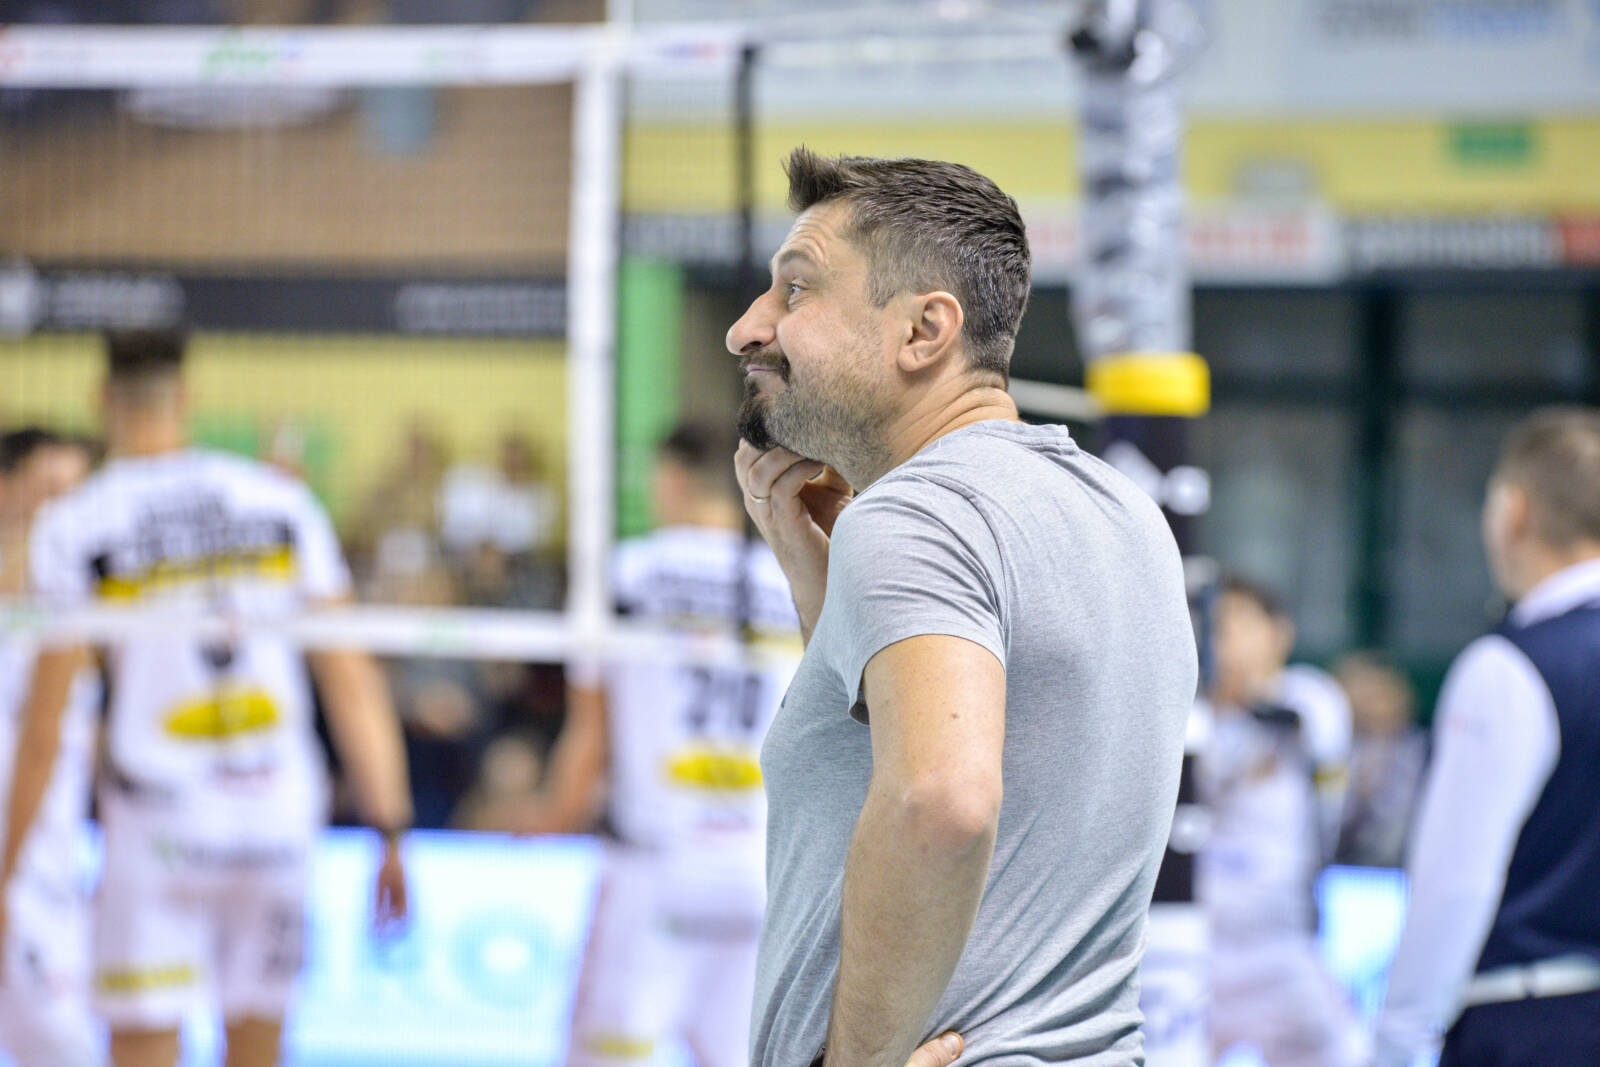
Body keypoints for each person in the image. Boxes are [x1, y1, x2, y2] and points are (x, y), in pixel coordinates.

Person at [728, 148, 1196, 1067]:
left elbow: (940, 801)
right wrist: (819, 579)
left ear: (924, 331)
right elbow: (983, 766)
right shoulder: (1124, 513)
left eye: (796, 289)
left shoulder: (915, 516)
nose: (748, 329)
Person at [0, 330, 414, 1067]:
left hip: (160, 821)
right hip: (277, 818)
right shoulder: (280, 500)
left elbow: (45, 724)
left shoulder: (79, 521)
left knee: (141, 1045)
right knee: (258, 1045)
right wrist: (390, 829)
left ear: (102, 399)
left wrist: (7, 867)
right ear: (187, 396)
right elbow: (352, 680)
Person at [487, 420, 801, 1067]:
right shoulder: (792, 577)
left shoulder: (627, 574)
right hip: (758, 872)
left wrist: (551, 818)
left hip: (654, 866)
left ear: (672, 479)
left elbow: (591, 734)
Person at [1375, 407, 1600, 1067]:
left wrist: (1398, 1040)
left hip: (1534, 1023)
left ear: (1512, 512)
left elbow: (1457, 883)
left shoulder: (1512, 667)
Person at [1197, 576, 1364, 1067]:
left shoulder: (1310, 697)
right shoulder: (1195, 715)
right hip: (1202, 951)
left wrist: (1239, 694)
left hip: (1282, 945)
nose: (1224, 640)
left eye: (1238, 625)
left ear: (1279, 633)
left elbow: (1299, 727)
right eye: (1214, 627)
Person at [0, 427, 102, 1067]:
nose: (65, 508)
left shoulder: (88, 610)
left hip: (46, 874)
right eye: (49, 489)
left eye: (77, 492)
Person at [1332, 651, 1425, 869]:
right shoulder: (1335, 749)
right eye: (1361, 693)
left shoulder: (1418, 752)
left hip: (1400, 868)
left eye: (1377, 694)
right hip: (1336, 867)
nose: (1369, 705)